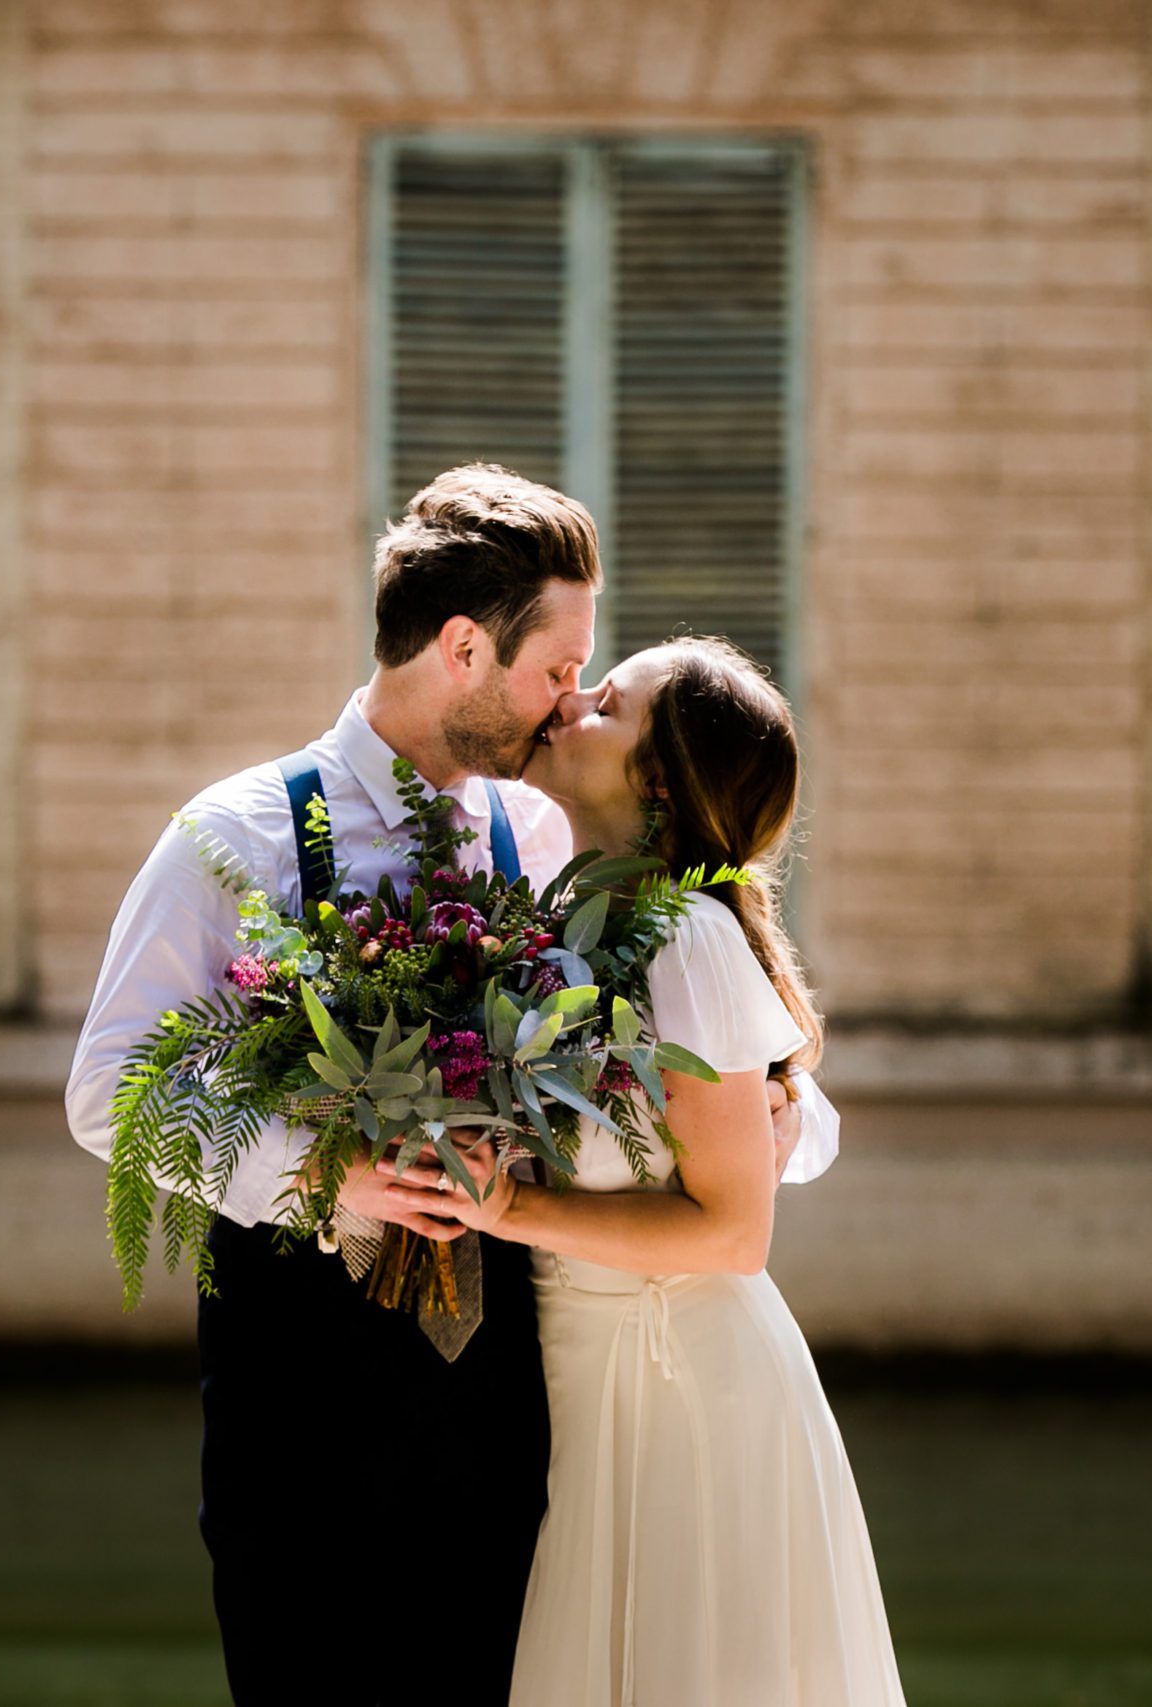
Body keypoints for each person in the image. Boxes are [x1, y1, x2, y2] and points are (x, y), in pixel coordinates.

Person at [64, 466, 840, 1706]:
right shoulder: (236, 832)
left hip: (510, 1411)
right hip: (299, 1405)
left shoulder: (547, 841)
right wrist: (332, 1179)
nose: (568, 700)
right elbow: (107, 1090)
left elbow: (716, 1082)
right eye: (555, 669)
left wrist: (767, 1123)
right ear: (465, 647)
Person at [400, 635, 908, 1706]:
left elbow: (733, 1232)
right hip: (590, 1386)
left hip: (682, 1394)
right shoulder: (567, 916)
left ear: (658, 780)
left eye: (606, 705)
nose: (569, 701)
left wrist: (511, 1207)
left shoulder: (687, 941)